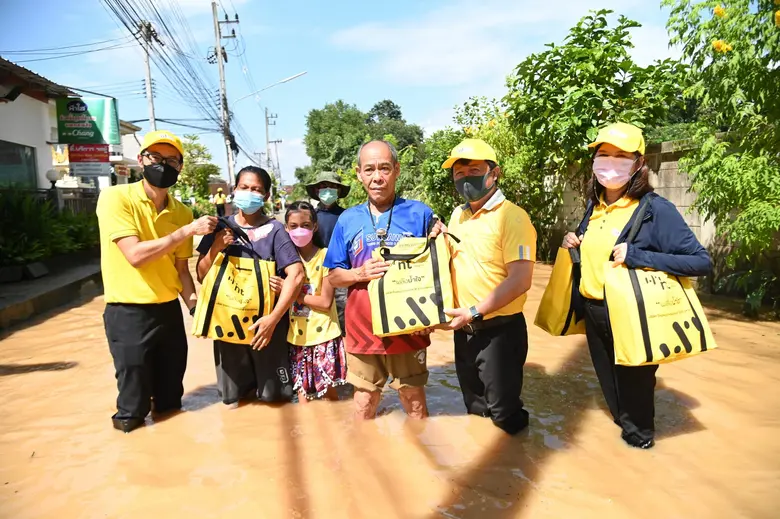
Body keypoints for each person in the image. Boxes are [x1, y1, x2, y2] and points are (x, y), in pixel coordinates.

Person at [562, 122, 712, 449]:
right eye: (604, 155)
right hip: (594, 311)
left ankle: (640, 449)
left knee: (636, 398)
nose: (610, 162)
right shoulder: (595, 205)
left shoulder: (656, 210)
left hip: (634, 315)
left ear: (638, 163)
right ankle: (623, 452)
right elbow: (593, 248)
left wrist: (639, 255)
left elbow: (701, 262)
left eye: (621, 156)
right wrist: (573, 240)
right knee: (613, 392)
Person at [96, 130, 218, 433]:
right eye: (155, 157)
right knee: (132, 406)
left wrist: (195, 309)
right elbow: (135, 255)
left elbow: (180, 271)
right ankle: (132, 460)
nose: (163, 164)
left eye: (172, 160)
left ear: (180, 167)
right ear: (141, 160)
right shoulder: (116, 198)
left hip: (168, 313)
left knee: (171, 399)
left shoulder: (181, 211)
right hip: (128, 311)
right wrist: (185, 232)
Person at [324, 140, 439, 420]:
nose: (377, 177)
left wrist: (433, 317)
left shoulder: (420, 213)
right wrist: (359, 273)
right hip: (362, 328)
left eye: (385, 168)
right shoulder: (347, 219)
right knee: (364, 404)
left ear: (397, 170)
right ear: (359, 174)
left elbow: (438, 269)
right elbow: (333, 276)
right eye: (370, 169)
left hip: (409, 327)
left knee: (414, 404)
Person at [436, 139, 536, 435]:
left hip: (500, 332)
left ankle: (519, 460)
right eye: (459, 172)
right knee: (475, 408)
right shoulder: (458, 215)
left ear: (495, 173)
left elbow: (521, 280)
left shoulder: (513, 216)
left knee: (504, 415)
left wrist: (473, 311)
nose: (466, 177)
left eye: (475, 169)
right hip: (464, 332)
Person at [196, 166, 304, 407]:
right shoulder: (219, 228)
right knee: (236, 399)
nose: (249, 193)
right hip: (228, 327)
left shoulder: (275, 230)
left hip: (266, 329)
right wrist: (216, 248)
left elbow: (296, 275)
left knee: (275, 397)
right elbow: (201, 275)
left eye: (256, 189)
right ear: (234, 190)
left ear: (266, 196)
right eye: (244, 187)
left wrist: (273, 319)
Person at [284, 201, 347, 402]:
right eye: (293, 226)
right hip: (297, 339)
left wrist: (294, 294)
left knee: (330, 397)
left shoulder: (326, 256)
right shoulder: (285, 260)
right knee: (303, 399)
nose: (299, 231)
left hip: (324, 336)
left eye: (305, 225)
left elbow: (325, 302)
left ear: (315, 227)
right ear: (286, 228)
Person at [306, 170, 351, 334]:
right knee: (319, 314)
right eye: (323, 186)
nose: (327, 190)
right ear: (317, 191)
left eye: (332, 187)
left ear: (339, 191)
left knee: (343, 313)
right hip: (316, 274)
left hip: (340, 272)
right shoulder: (311, 217)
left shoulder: (347, 216)